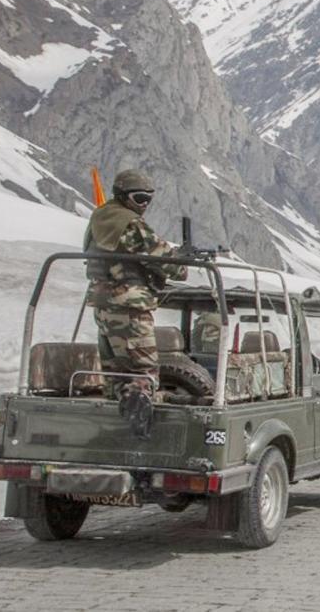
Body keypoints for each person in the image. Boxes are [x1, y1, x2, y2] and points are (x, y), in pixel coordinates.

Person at [84, 169, 186, 438]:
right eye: (139, 198)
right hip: (130, 306)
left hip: (103, 306)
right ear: (122, 195)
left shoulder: (100, 217)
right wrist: (183, 260)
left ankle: (109, 432)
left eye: (148, 199)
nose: (144, 205)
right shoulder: (130, 224)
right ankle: (141, 436)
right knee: (144, 371)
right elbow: (168, 263)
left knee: (115, 372)